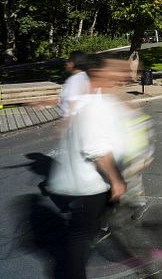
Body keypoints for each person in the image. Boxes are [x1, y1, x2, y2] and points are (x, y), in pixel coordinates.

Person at [47, 56, 130, 279]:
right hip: (90, 184)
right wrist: (116, 180)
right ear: (98, 73)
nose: (122, 76)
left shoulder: (101, 100)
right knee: (80, 237)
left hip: (97, 182)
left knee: (84, 233)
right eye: (115, 72)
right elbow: (97, 149)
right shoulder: (93, 104)